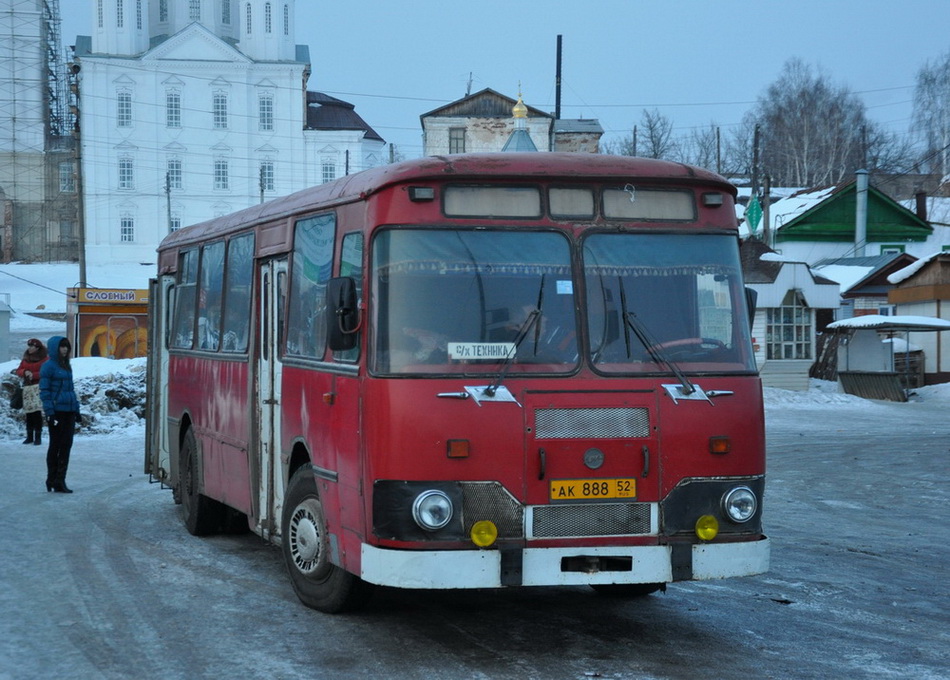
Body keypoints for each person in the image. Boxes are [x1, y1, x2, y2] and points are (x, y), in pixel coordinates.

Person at [39, 336, 81, 494]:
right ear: (54, 348)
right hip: (57, 412)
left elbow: (70, 389)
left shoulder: (66, 366)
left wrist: (76, 409)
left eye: (66, 347)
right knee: (56, 445)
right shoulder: (48, 366)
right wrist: (49, 412)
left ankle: (59, 479)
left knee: (66, 445)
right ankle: (52, 478)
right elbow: (45, 391)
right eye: (62, 347)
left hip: (69, 411)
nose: (64, 349)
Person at [13, 338, 49, 445]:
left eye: (31, 346)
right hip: (27, 388)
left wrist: (34, 375)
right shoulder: (25, 359)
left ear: (37, 348)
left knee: (36, 412)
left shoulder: (45, 359)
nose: (29, 348)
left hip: (38, 388)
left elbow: (46, 372)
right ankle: (29, 436)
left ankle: (38, 437)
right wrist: (24, 372)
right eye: (29, 346)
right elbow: (19, 370)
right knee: (28, 412)